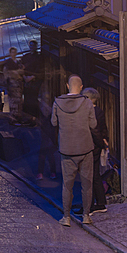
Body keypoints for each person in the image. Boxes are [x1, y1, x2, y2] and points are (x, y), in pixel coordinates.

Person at [51, 74, 97, 226]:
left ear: (67, 85)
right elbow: (93, 125)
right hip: (85, 148)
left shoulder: (57, 102)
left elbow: (53, 122)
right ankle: (86, 216)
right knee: (86, 184)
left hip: (66, 149)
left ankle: (66, 217)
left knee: (67, 184)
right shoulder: (87, 103)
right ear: (81, 87)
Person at [78, 87, 108, 216]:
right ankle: (100, 203)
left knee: (88, 176)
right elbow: (103, 129)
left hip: (91, 146)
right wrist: (104, 141)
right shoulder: (99, 111)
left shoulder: (89, 112)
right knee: (94, 175)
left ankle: (89, 206)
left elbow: (94, 130)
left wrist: (100, 142)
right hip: (96, 146)